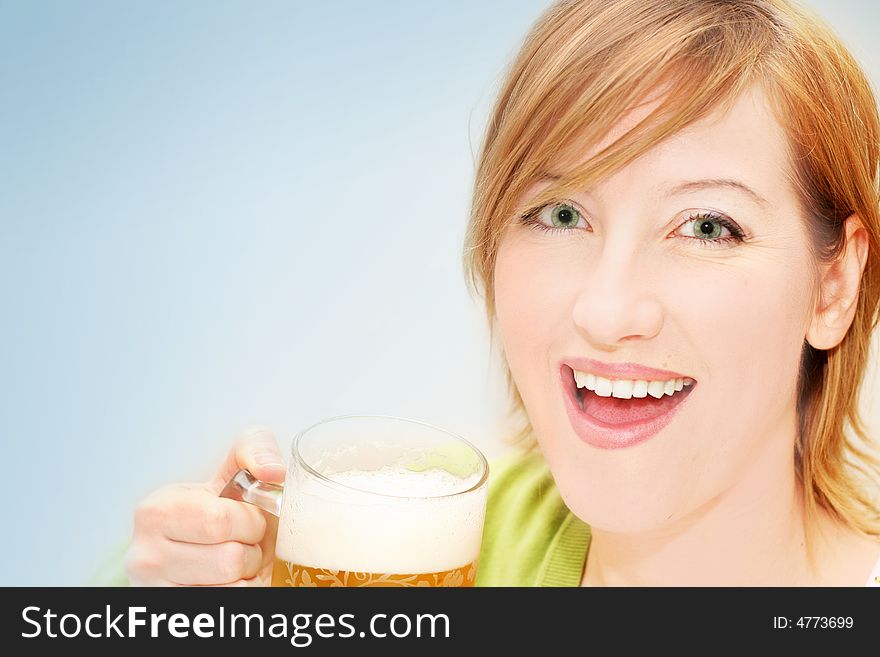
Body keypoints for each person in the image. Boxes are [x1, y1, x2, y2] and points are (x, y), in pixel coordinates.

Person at [122, 0, 880, 586]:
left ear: (834, 283)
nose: (606, 309)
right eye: (561, 214)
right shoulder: (424, 544)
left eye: (709, 226)